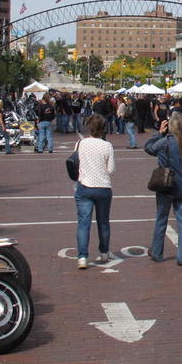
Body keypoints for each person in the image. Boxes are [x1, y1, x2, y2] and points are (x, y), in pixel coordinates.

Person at [145, 113, 182, 266]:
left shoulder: (165, 142)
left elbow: (148, 148)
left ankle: (157, 251)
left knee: (161, 219)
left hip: (166, 184)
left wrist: (159, 133)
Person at [73, 114, 115, 269]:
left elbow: (75, 163)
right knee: (103, 222)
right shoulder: (107, 146)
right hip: (103, 187)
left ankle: (82, 257)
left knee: (83, 223)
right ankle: (104, 252)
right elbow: (111, 169)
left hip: (85, 186)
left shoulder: (80, 143)